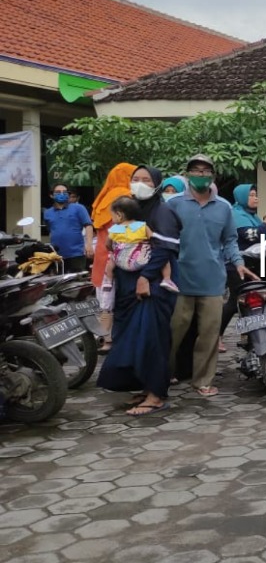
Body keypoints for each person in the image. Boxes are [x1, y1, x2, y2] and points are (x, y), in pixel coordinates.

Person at [95, 166, 181, 417]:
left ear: (156, 184)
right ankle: (145, 387)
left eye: (146, 180)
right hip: (127, 287)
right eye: (135, 179)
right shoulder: (130, 209)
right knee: (131, 338)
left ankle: (156, 395)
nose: (139, 183)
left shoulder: (162, 211)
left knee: (151, 339)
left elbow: (166, 248)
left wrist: (146, 277)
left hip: (151, 288)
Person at [167, 155, 253, 397]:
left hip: (212, 280)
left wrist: (238, 263)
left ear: (213, 176)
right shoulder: (174, 204)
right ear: (187, 174)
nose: (201, 175)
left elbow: (230, 240)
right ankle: (163, 374)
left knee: (209, 334)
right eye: (196, 170)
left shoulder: (224, 207)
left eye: (206, 171)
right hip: (179, 280)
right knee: (173, 333)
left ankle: (203, 380)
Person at [219, 184, 266, 338]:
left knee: (258, 299)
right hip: (236, 265)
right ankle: (216, 336)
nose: (255, 198)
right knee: (235, 301)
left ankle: (252, 334)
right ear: (241, 197)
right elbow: (250, 236)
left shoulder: (252, 216)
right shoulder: (236, 214)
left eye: (256, 195)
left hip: (254, 265)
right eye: (251, 195)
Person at [89, 163, 137, 354]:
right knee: (121, 299)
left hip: (102, 256)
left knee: (105, 301)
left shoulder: (103, 197)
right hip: (120, 256)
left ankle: (106, 338)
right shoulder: (126, 197)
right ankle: (119, 339)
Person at [102, 196, 178, 294]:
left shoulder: (114, 229)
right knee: (164, 257)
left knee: (110, 259)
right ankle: (167, 279)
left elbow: (107, 244)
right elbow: (154, 239)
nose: (112, 219)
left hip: (120, 262)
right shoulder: (142, 225)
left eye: (112, 216)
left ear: (119, 215)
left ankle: (108, 279)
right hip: (141, 260)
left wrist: (114, 251)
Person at [43, 182, 93, 272]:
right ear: (51, 195)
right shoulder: (48, 213)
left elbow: (88, 226)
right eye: (58, 192)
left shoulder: (78, 208)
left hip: (77, 254)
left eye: (64, 192)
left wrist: (89, 245)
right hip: (57, 256)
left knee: (77, 282)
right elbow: (51, 231)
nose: (61, 194)